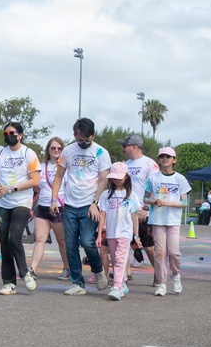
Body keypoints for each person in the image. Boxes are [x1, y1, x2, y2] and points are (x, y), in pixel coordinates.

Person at [50, 118, 111, 296]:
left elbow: (104, 180)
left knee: (87, 242)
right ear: (74, 134)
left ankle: (98, 270)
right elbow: (59, 177)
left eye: (87, 139)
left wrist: (95, 203)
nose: (83, 143)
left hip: (89, 205)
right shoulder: (68, 151)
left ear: (93, 135)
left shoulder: (101, 152)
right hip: (69, 204)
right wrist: (54, 200)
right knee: (70, 245)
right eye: (80, 139)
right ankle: (78, 283)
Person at [0, 122, 40, 295]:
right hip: (3, 203)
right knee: (4, 242)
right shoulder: (0, 154)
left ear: (20, 135)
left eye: (12, 132)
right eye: (6, 133)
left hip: (21, 202)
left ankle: (25, 273)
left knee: (14, 238)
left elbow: (35, 181)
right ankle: (9, 283)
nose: (8, 135)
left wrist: (12, 189)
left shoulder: (29, 154)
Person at [143, 147, 191, 296]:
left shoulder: (180, 179)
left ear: (174, 160)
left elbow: (184, 202)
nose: (165, 159)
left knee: (174, 252)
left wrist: (168, 203)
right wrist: (152, 201)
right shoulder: (153, 178)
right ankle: (161, 283)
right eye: (162, 156)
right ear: (158, 159)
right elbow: (144, 198)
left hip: (173, 220)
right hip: (157, 219)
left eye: (168, 157)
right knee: (160, 253)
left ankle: (176, 275)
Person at [96, 162, 141, 301]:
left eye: (119, 177)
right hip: (110, 232)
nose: (116, 180)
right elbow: (102, 215)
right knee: (115, 260)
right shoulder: (105, 195)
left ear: (126, 177)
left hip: (125, 233)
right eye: (113, 177)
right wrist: (99, 235)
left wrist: (136, 236)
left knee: (120, 259)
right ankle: (122, 283)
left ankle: (116, 287)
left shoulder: (132, 196)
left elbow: (134, 217)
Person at [30, 136, 69, 280]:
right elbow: (37, 189)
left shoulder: (66, 167)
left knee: (62, 241)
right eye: (53, 148)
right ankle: (33, 269)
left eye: (59, 148)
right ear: (48, 149)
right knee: (39, 238)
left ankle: (67, 268)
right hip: (43, 206)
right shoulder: (41, 167)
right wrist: (31, 206)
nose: (56, 150)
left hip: (59, 207)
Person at [122, 134, 159, 279]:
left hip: (144, 214)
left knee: (149, 247)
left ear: (134, 147)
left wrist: (146, 208)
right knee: (124, 244)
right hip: (127, 212)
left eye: (125, 146)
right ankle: (126, 273)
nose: (123, 149)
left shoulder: (150, 165)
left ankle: (159, 273)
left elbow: (155, 188)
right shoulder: (125, 165)